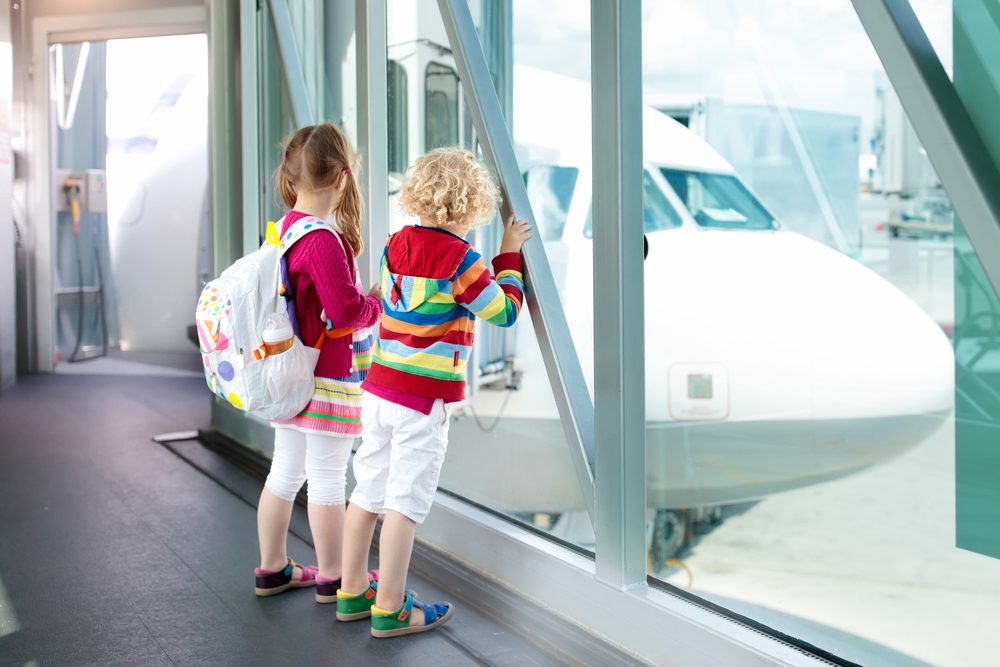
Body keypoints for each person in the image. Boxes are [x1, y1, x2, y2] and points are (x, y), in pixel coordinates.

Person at [338, 148, 531, 637]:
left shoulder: (393, 244)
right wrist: (508, 255)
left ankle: (353, 592)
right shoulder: (462, 259)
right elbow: (505, 311)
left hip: (379, 390)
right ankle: (390, 608)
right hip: (421, 402)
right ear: (472, 208)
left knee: (367, 492)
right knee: (404, 503)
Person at [254, 123, 382, 602]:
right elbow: (347, 312)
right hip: (325, 378)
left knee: (284, 471)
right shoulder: (323, 240)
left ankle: (271, 568)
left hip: (289, 372)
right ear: (344, 178)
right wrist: (374, 303)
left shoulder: (286, 228)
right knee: (328, 476)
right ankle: (334, 575)